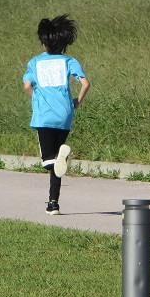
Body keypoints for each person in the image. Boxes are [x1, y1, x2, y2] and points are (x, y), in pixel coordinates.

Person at [23, 15, 90, 215]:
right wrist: (77, 102)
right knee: (58, 163)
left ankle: (56, 165)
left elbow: (27, 85)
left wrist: (35, 98)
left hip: (44, 115)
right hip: (65, 114)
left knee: (48, 161)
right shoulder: (69, 61)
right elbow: (85, 84)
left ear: (43, 43)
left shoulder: (35, 62)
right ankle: (53, 204)